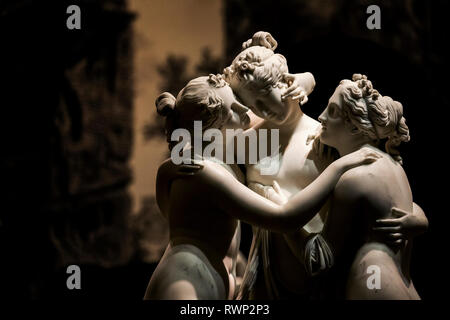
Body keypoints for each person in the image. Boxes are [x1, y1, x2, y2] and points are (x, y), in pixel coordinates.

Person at [224, 32, 428, 299]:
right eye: (253, 104)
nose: (262, 110)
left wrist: (418, 217)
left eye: (266, 96)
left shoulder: (323, 138)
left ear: (287, 82)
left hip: (319, 272)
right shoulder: (251, 142)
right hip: (267, 273)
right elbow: (202, 135)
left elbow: (377, 188)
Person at [143, 74, 380, 300]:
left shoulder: (197, 161)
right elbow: (284, 219)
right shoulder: (204, 171)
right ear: (214, 129)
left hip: (201, 276)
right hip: (186, 281)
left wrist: (303, 82)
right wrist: (339, 168)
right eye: (234, 108)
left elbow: (171, 212)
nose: (245, 109)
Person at [310, 74, 423, 299]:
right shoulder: (393, 165)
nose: (321, 116)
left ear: (354, 128)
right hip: (401, 283)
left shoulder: (354, 178)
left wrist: (281, 217)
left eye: (331, 111)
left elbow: (323, 259)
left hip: (372, 283)